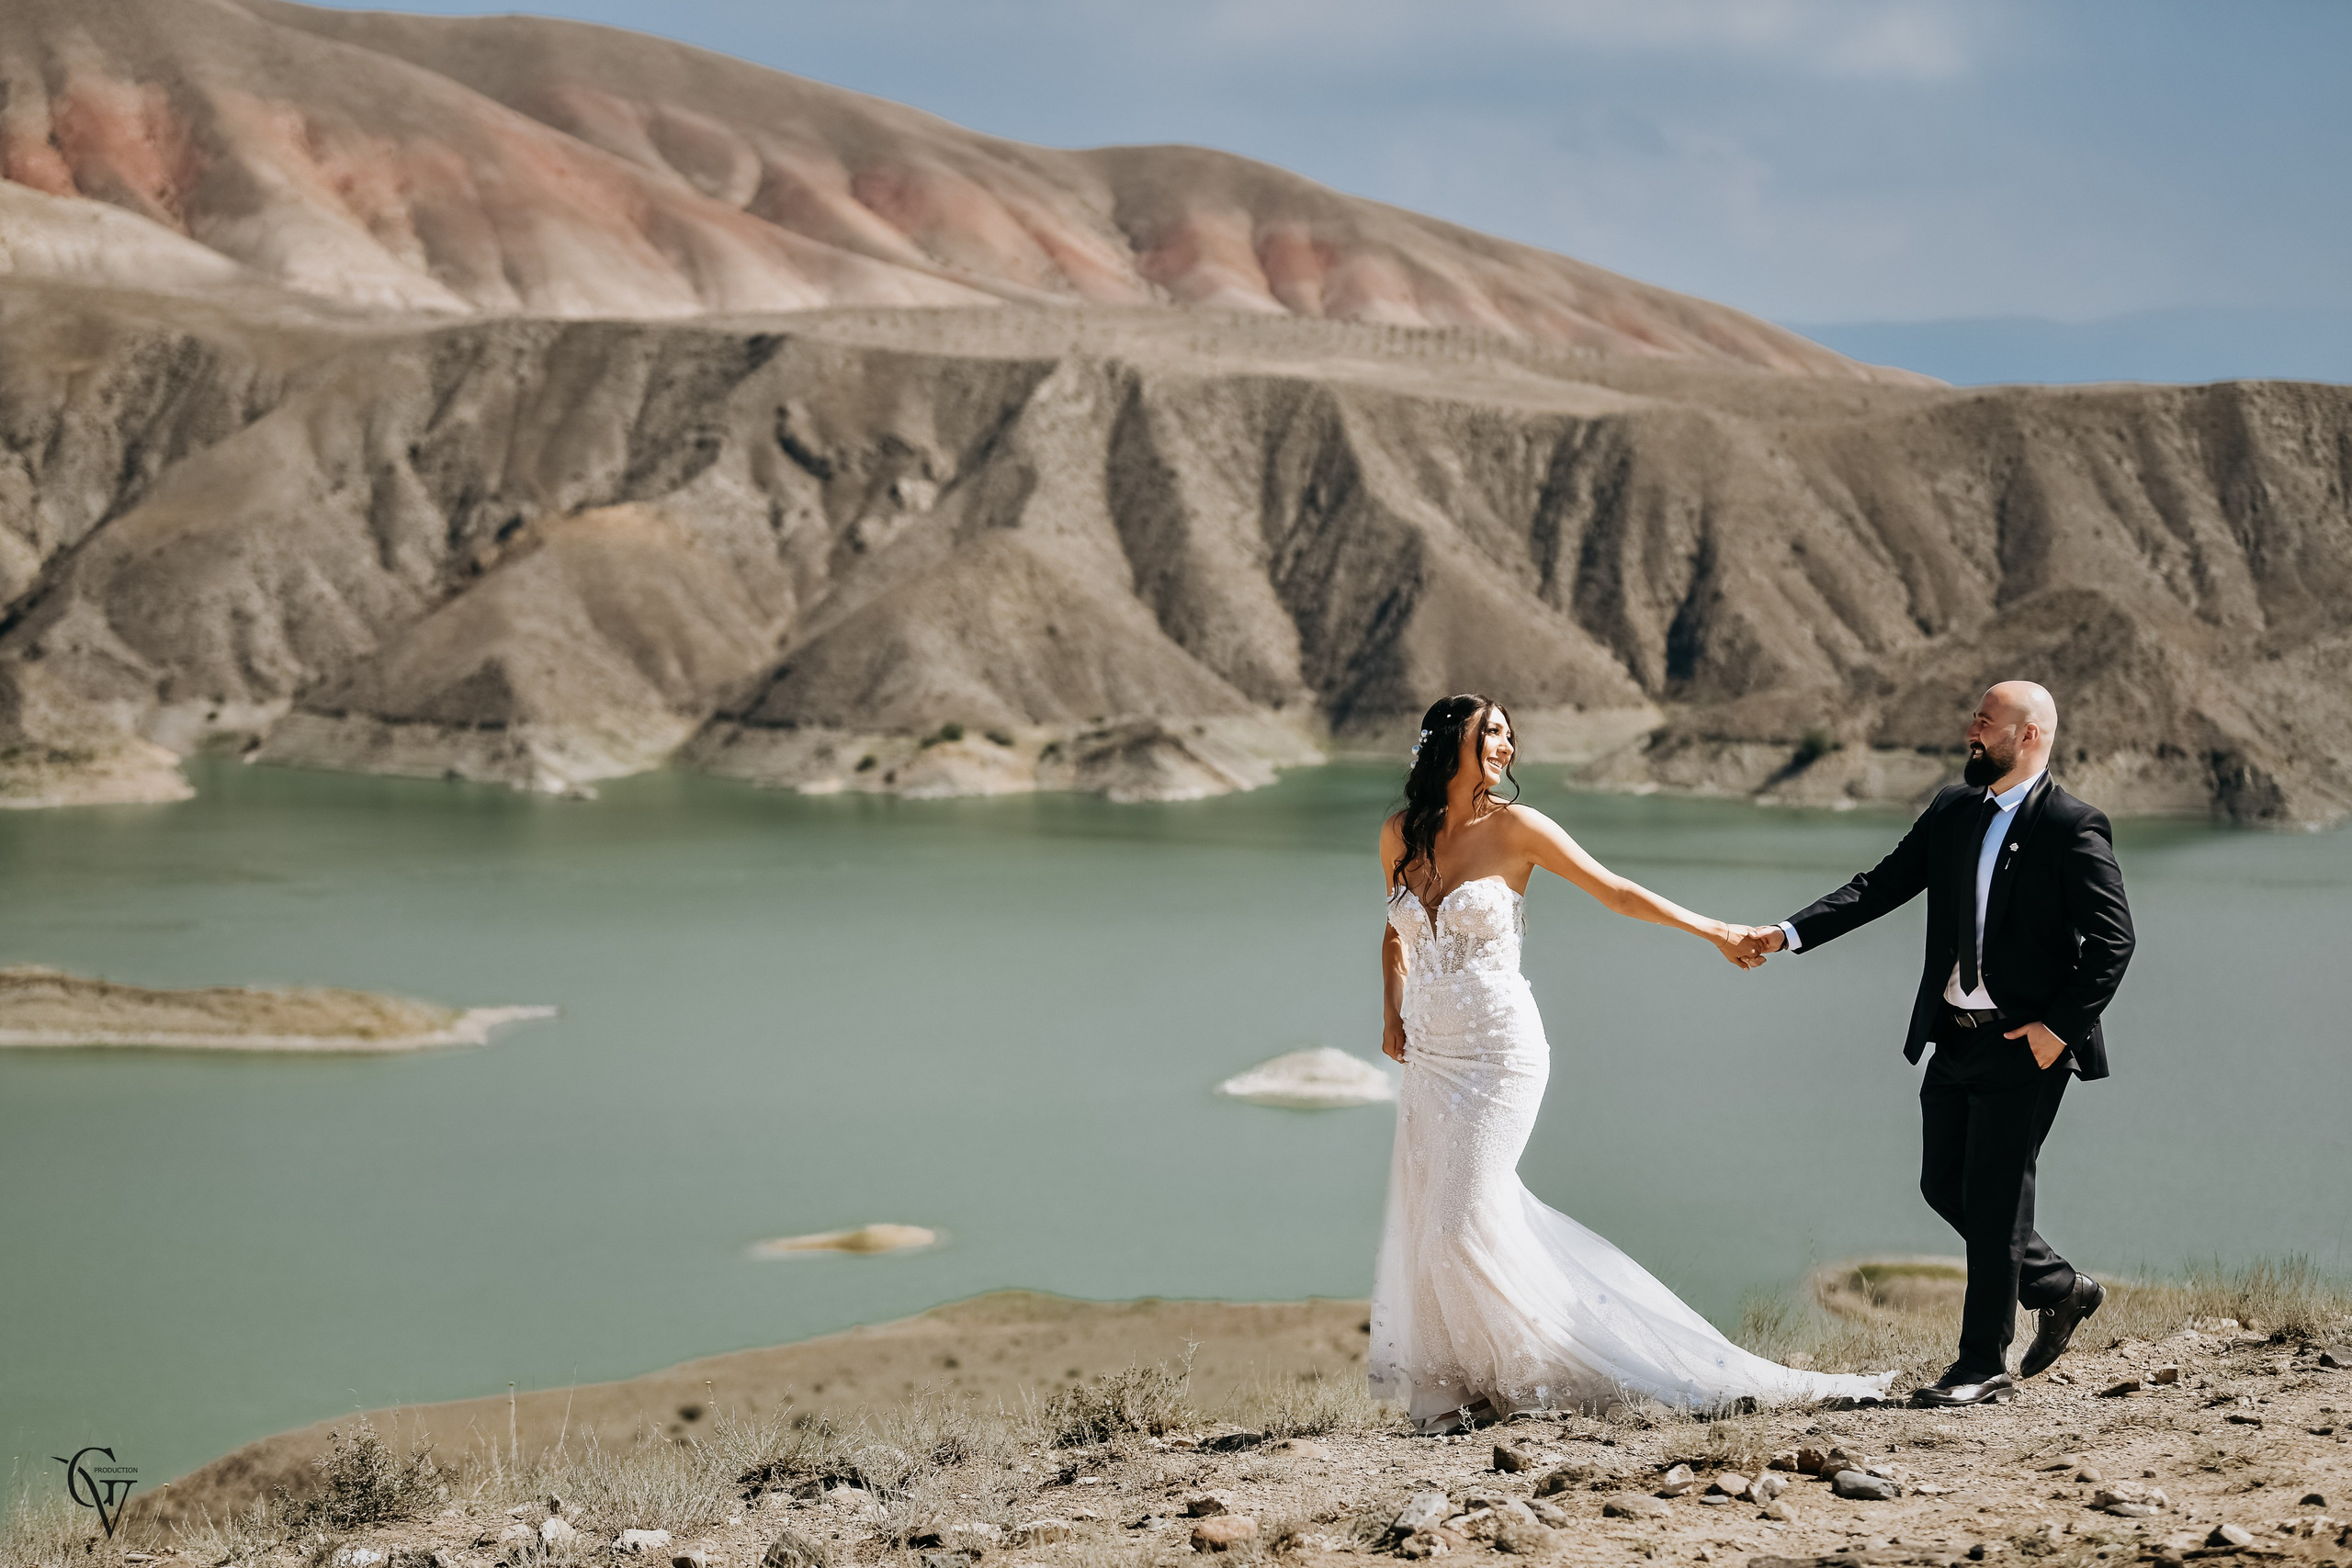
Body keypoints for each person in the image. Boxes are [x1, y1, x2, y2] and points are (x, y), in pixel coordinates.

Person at [1368, 693, 1894, 1431]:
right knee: (1438, 1221)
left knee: (1458, 1218)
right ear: (1450, 740)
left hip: (1498, 1053)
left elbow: (1614, 891)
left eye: (1510, 736)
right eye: (1491, 733)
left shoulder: (1518, 828)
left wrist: (1713, 929)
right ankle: (1465, 1388)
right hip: (1430, 1058)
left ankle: (1566, 1367)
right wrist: (1390, 1011)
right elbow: (1394, 933)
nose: (1505, 746)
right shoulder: (1399, 832)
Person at [1736, 681, 2135, 1407]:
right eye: (1975, 719)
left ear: (2030, 737)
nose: (1971, 731)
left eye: (1986, 722)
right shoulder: (1954, 809)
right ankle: (2059, 1287)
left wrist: (2055, 1031)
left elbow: (2114, 939)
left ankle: (1981, 1365)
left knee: (1992, 1195)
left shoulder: (2073, 825)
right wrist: (1787, 934)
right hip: (1953, 1036)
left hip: (2024, 1045)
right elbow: (1879, 886)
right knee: (1942, 1182)